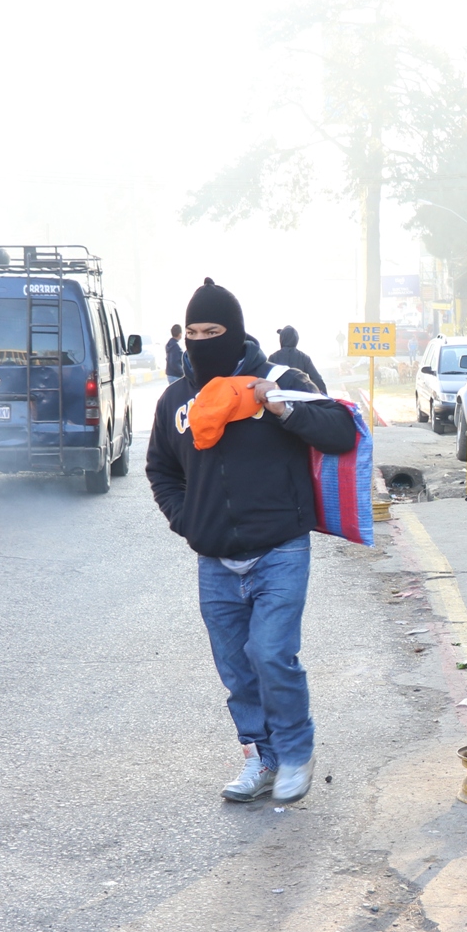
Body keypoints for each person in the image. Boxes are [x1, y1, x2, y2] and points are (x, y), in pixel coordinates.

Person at [145, 279, 359, 804]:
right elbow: (161, 470)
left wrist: (284, 409)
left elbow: (340, 430)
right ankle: (260, 757)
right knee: (236, 668)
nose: (200, 341)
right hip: (214, 558)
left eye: (212, 331)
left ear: (235, 332)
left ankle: (294, 752)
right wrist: (188, 519)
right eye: (192, 332)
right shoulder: (177, 399)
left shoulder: (281, 379)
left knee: (270, 654)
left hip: (280, 549)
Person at [268, 325, 327, 395]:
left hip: (280, 399)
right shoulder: (304, 357)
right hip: (301, 399)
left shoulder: (273, 358)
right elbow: (317, 379)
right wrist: (326, 399)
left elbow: (265, 379)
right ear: (296, 339)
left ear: (282, 339)